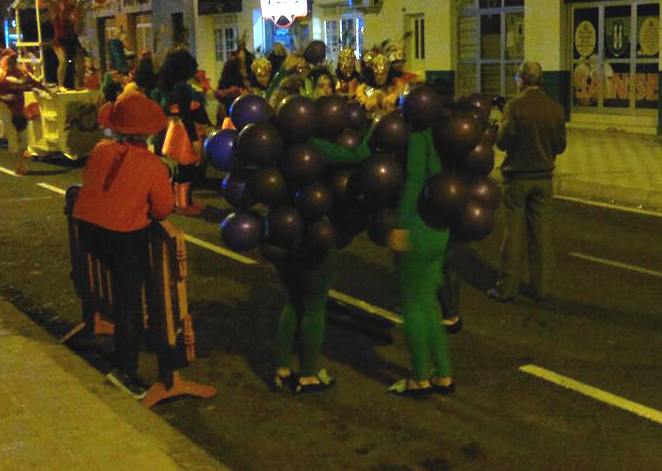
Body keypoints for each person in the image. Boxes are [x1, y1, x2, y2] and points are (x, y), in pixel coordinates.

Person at [72, 88, 173, 399]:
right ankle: (125, 369)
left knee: (113, 281)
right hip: (123, 238)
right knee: (130, 299)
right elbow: (163, 209)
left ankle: (98, 320)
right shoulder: (153, 165)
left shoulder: (101, 149)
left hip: (88, 232)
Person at [271, 139, 371, 394]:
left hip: (280, 229)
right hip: (314, 231)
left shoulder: (269, 143)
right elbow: (358, 154)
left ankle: (282, 369)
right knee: (315, 306)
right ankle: (307, 375)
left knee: (292, 301)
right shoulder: (311, 145)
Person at [487, 61, 566, 303]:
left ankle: (507, 288)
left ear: (522, 80)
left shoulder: (514, 107)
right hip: (543, 179)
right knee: (542, 235)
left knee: (514, 234)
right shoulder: (555, 108)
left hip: (518, 179)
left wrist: (501, 123)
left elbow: (502, 142)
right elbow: (561, 146)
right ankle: (541, 289)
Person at [387, 128, 454, 398]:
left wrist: (401, 226)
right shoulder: (444, 134)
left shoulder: (417, 136)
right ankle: (444, 373)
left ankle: (419, 377)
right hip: (441, 225)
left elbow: (414, 180)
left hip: (417, 224)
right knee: (429, 303)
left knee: (413, 304)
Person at [0, 49, 52, 175]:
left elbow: (33, 82)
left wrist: (47, 91)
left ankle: (20, 163)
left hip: (18, 107)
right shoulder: (1, 76)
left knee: (23, 137)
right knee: (13, 136)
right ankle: (18, 165)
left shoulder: (21, 73)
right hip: (5, 107)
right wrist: (3, 98)